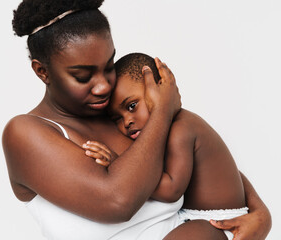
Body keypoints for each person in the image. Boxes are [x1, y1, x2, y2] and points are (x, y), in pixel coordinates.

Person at [2, 0, 271, 239]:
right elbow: (118, 201)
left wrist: (259, 212)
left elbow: (201, 159)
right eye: (83, 76)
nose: (103, 87)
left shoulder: (119, 113)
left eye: (108, 66)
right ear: (42, 71)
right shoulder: (25, 133)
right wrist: (163, 112)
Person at [83, 53, 259, 239]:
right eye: (117, 118)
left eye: (132, 106)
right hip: (190, 219)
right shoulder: (162, 132)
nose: (127, 121)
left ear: (160, 89)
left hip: (220, 223)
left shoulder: (181, 129)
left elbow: (171, 190)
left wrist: (118, 164)